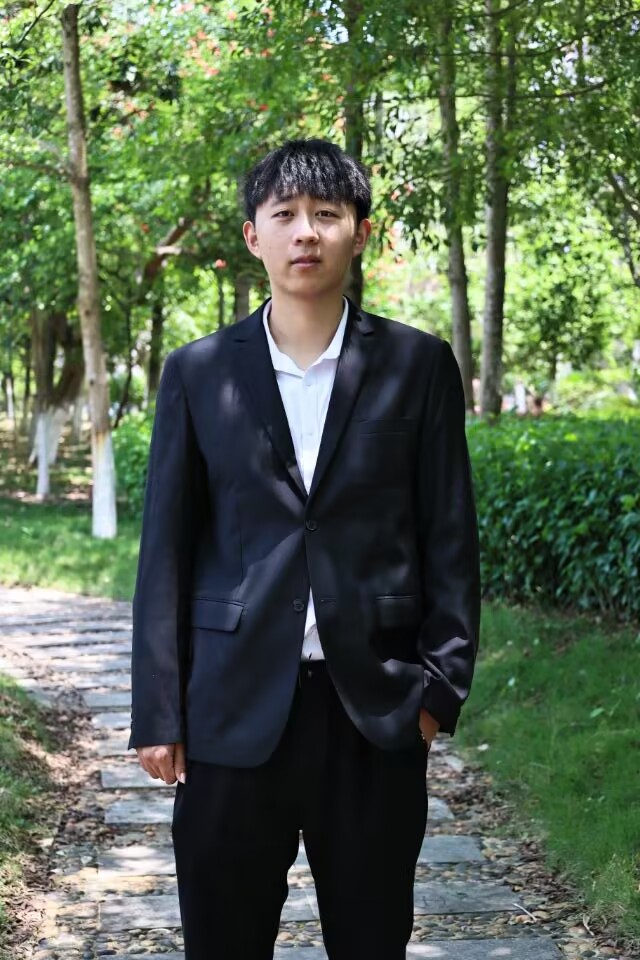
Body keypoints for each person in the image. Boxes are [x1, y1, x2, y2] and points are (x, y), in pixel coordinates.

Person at [128, 138, 481, 960]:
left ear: (361, 232)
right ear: (253, 236)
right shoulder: (198, 372)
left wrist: (438, 692)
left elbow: (450, 537)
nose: (306, 232)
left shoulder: (418, 365)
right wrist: (159, 711)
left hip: (374, 713)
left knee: (371, 941)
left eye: (327, 213)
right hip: (229, 710)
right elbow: (166, 550)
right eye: (284, 214)